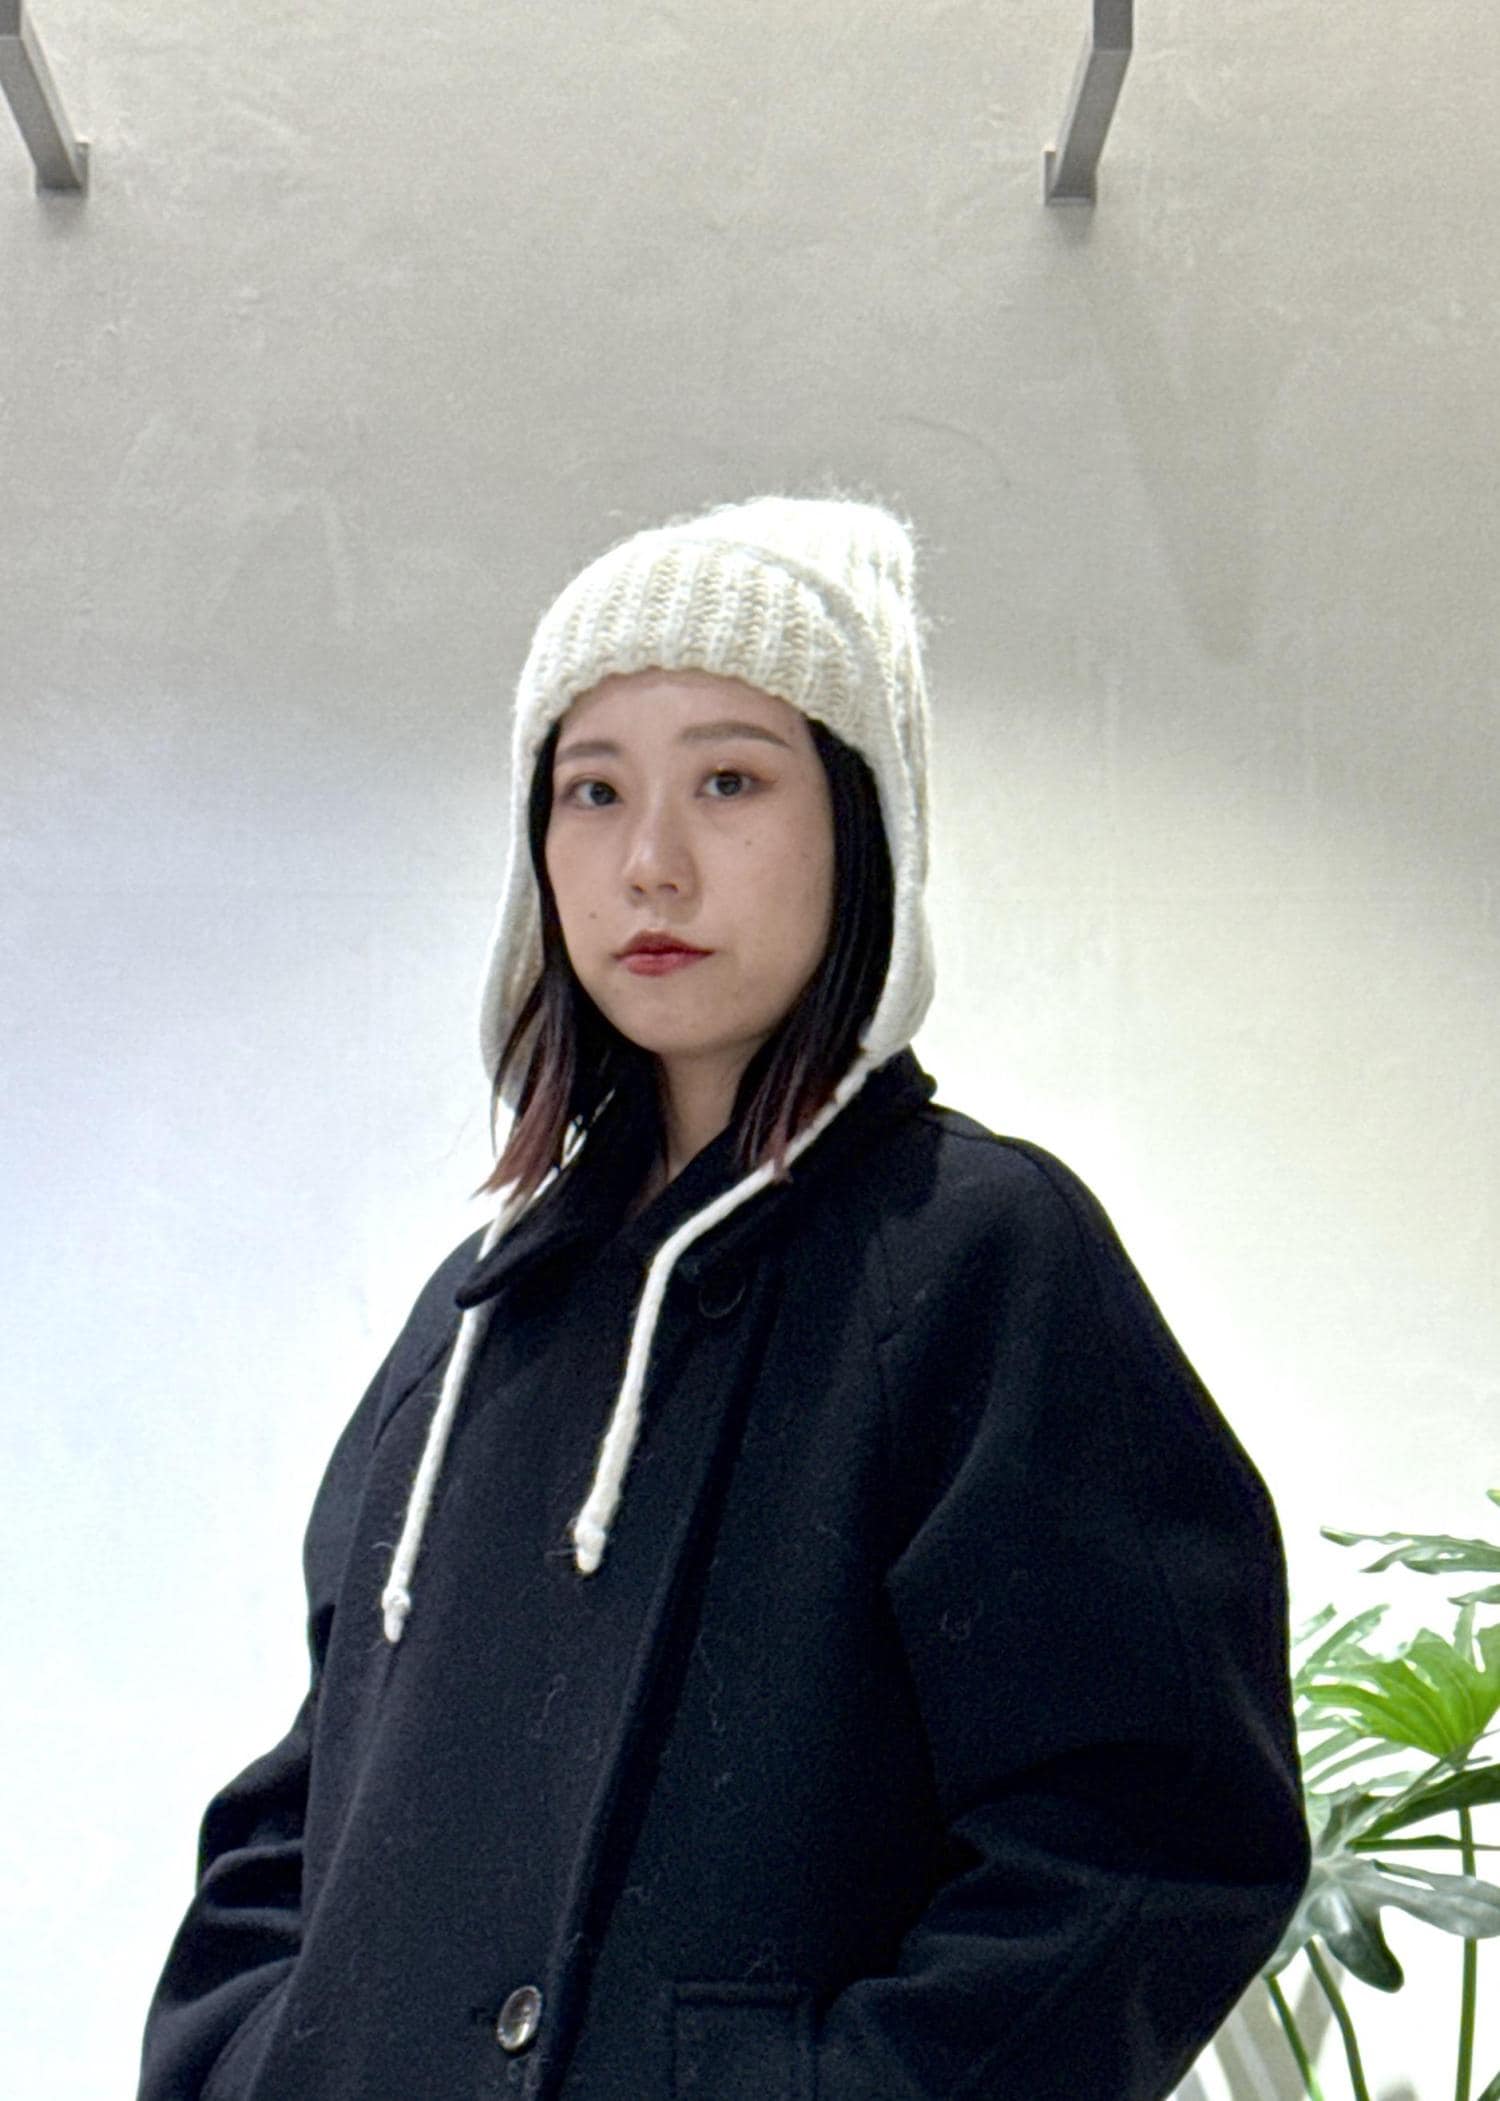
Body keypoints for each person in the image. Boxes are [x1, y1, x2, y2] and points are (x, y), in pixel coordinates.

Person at [135, 493, 1312, 2101]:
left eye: (730, 780)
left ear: (859, 819)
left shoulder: (975, 1258)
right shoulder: (475, 1315)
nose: (651, 862)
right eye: (593, 789)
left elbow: (1150, 1830)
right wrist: (249, 2060)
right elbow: (303, 1813)